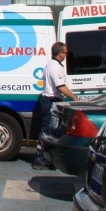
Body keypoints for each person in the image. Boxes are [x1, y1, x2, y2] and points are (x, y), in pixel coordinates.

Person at [32, 42, 78, 170]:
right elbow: (60, 87)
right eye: (65, 53)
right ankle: (40, 159)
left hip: (50, 100)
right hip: (51, 101)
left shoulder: (51, 64)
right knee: (46, 131)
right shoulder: (55, 67)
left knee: (49, 131)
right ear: (60, 54)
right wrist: (74, 97)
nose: (66, 55)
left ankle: (46, 158)